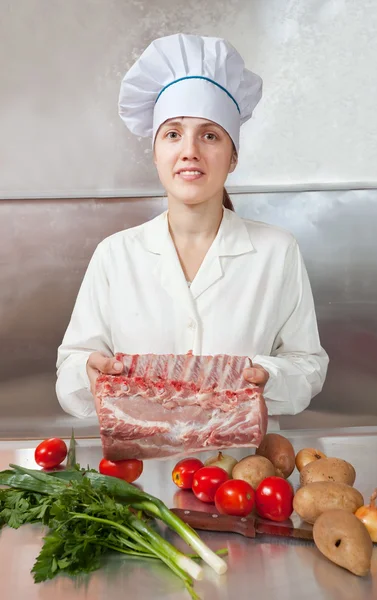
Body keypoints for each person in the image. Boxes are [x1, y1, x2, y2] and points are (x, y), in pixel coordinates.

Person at [56, 33, 329, 431]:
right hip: (136, 473)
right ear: (155, 152)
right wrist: (88, 372)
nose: (190, 151)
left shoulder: (277, 250)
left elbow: (309, 365)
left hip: (239, 473)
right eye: (172, 134)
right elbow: (70, 368)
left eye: (210, 135)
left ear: (233, 156)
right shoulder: (115, 255)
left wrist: (267, 375)